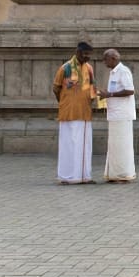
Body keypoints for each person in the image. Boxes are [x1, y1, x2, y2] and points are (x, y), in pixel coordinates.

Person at [53, 42, 97, 184]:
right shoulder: (65, 68)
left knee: (84, 146)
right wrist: (65, 102)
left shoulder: (89, 68)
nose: (88, 57)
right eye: (85, 54)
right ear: (78, 52)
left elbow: (92, 86)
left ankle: (84, 176)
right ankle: (67, 176)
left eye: (89, 55)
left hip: (84, 112)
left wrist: (93, 99)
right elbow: (56, 88)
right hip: (68, 112)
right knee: (69, 144)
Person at [98, 49, 136, 183]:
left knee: (122, 146)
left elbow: (130, 90)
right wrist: (106, 94)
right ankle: (114, 173)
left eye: (105, 59)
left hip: (122, 114)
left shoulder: (123, 71)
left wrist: (110, 95)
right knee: (114, 145)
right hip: (115, 114)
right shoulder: (113, 73)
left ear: (113, 58)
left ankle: (123, 174)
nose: (104, 62)